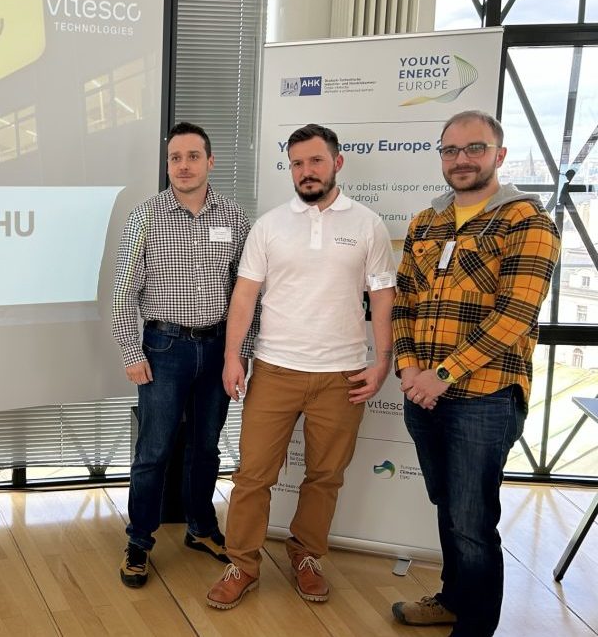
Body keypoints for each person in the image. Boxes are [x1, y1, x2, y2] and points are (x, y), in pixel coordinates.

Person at [206, 123, 396, 609]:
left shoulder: (368, 224)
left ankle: (307, 555)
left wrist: (381, 363)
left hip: (344, 375)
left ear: (337, 163)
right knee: (252, 476)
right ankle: (242, 563)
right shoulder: (269, 225)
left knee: (325, 476)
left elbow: (381, 295)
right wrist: (233, 356)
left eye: (315, 161)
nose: (306, 172)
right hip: (274, 369)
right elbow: (244, 295)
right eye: (296, 163)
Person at [390, 110, 559, 636]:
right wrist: (409, 366)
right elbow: (403, 303)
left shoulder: (528, 222)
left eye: (474, 149)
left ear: (499, 155)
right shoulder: (427, 221)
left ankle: (476, 626)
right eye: (451, 150)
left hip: (484, 399)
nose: (461, 160)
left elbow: (514, 316)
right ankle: (454, 598)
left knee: (472, 522)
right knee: (449, 508)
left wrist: (441, 374)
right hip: (423, 393)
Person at [112, 121, 256, 588]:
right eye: (175, 158)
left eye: (193, 156)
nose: (183, 166)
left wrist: (242, 353)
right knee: (153, 451)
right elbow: (122, 293)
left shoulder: (235, 218)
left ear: (210, 161)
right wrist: (132, 350)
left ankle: (202, 528)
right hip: (164, 347)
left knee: (205, 448)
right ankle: (139, 541)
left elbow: (247, 294)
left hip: (218, 349)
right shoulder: (146, 215)